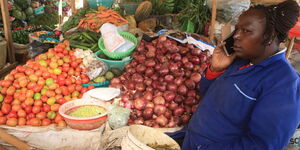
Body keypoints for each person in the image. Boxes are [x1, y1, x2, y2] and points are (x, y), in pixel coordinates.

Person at [168, 0, 300, 149]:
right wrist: (215, 70)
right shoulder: (238, 61)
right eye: (237, 29)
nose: (236, 36)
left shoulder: (283, 84)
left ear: (268, 37)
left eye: (246, 31)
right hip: (190, 140)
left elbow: (262, 145)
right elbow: (210, 97)